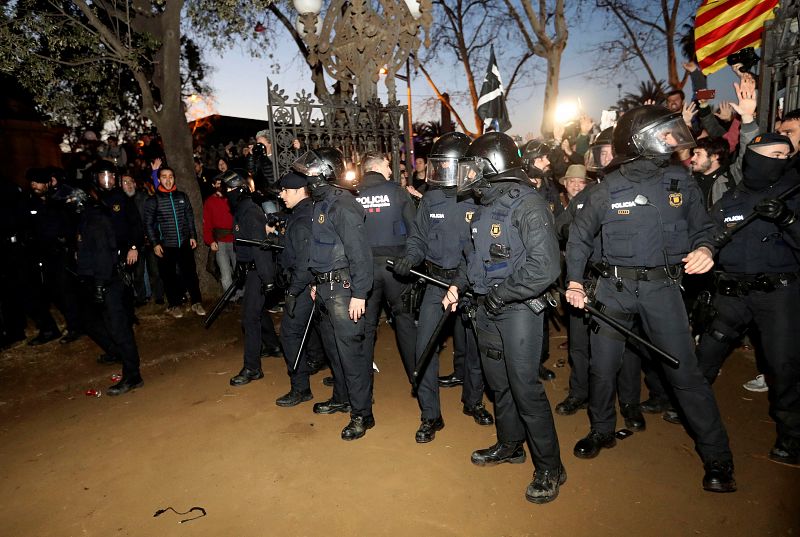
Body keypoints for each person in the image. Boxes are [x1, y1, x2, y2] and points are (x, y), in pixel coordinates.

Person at [565, 105, 736, 493]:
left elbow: (704, 228)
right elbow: (579, 238)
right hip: (613, 290)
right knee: (602, 368)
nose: (676, 140)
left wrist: (706, 248)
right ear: (640, 141)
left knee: (686, 374)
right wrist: (575, 283)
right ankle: (602, 430)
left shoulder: (681, 182)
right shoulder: (606, 188)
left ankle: (718, 457)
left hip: (663, 291)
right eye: (668, 134)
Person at [442, 132, 565, 504]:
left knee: (525, 388)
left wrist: (500, 295)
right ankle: (511, 445)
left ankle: (550, 467)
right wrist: (459, 286)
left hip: (517, 311)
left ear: (492, 166)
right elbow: (476, 261)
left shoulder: (528, 203)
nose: (468, 177)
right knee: (500, 386)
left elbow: (545, 268)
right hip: (487, 308)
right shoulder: (485, 206)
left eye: (474, 168)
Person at [697, 133, 800, 466]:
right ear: (753, 157)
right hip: (733, 294)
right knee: (706, 353)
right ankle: (690, 410)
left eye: (786, 155)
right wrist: (705, 248)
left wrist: (788, 220)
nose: (781, 160)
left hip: (778, 296)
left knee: (783, 366)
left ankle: (791, 438)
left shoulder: (794, 193)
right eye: (772, 154)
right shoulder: (731, 199)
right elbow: (711, 233)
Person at [394, 132, 493, 443]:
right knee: (424, 347)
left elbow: (480, 250)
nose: (441, 173)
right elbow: (419, 238)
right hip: (436, 283)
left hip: (471, 285)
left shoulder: (478, 200)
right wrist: (409, 257)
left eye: (448, 166)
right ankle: (430, 415)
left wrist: (461, 284)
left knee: (476, 347)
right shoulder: (431, 198)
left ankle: (473, 401)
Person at [293, 147, 374, 441]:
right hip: (326, 288)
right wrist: (316, 282)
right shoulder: (321, 204)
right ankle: (341, 398)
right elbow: (321, 248)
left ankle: (362, 414)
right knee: (334, 352)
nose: (307, 180)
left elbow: (360, 254)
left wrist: (360, 294)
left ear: (326, 173)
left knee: (352, 355)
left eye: (311, 174)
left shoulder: (343, 205)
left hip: (345, 290)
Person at [356, 151, 418, 399]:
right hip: (396, 268)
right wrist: (410, 260)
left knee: (366, 327)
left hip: (365, 270)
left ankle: (363, 391)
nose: (391, 170)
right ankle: (418, 379)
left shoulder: (353, 195)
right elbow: (416, 231)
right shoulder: (397, 192)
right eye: (387, 165)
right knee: (404, 322)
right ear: (377, 166)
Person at [76, 185, 143, 396]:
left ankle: (133, 375)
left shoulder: (96, 219)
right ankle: (120, 357)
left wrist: (100, 283)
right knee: (97, 323)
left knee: (119, 327)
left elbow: (105, 253)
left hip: (107, 280)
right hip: (99, 279)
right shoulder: (87, 218)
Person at [218, 170, 280, 387]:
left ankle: (252, 368)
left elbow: (260, 248)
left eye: (230, 189)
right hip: (251, 269)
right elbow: (243, 246)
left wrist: (267, 279)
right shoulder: (242, 210)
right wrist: (240, 268)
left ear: (242, 189)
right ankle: (272, 345)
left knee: (249, 318)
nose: (228, 194)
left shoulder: (250, 211)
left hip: (258, 271)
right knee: (257, 310)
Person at [272, 172, 316, 406]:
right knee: (318, 332)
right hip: (309, 285)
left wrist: (293, 292)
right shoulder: (302, 214)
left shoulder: (301, 218)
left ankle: (300, 388)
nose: (281, 195)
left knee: (289, 334)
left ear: (300, 191)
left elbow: (304, 262)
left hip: (303, 286)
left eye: (285, 191)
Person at [24, 168, 82, 345]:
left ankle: (75, 327)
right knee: (54, 292)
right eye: (32, 182)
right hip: (44, 255)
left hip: (62, 253)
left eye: (38, 181)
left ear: (48, 183)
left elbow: (71, 226)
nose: (34, 185)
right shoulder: (30, 203)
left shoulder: (58, 201)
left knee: (67, 291)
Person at [144, 167, 206, 318]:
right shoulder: (153, 200)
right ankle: (174, 305)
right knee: (168, 276)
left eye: (171, 176)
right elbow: (148, 224)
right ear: (159, 179)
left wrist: (192, 236)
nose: (168, 179)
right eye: (164, 176)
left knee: (190, 274)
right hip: (165, 245)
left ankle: (196, 302)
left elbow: (189, 218)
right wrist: (155, 243)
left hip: (184, 242)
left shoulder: (182, 196)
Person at [122, 174, 164, 306]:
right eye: (125, 182)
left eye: (130, 181)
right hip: (134, 244)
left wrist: (151, 236)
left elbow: (152, 219)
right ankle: (141, 298)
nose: (128, 184)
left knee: (155, 271)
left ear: (135, 184)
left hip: (149, 241)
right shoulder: (120, 201)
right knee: (138, 273)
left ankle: (159, 296)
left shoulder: (145, 198)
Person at [202, 176, 236, 294]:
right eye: (217, 183)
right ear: (213, 185)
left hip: (236, 240)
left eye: (222, 183)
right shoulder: (209, 202)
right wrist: (210, 241)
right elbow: (207, 225)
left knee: (239, 270)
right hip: (220, 241)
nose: (220, 186)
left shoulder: (232, 198)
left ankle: (243, 296)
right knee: (225, 272)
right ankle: (230, 299)